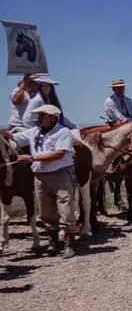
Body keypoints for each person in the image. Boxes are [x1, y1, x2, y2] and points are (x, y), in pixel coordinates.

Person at [2, 105, 78, 257]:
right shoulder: (34, 132)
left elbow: (58, 154)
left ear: (52, 117)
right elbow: (12, 137)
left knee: (65, 209)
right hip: (40, 176)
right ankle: (53, 242)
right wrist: (2, 132)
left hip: (60, 175)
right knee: (45, 211)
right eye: (39, 115)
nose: (38, 118)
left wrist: (31, 158)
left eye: (42, 115)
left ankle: (69, 244)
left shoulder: (63, 132)